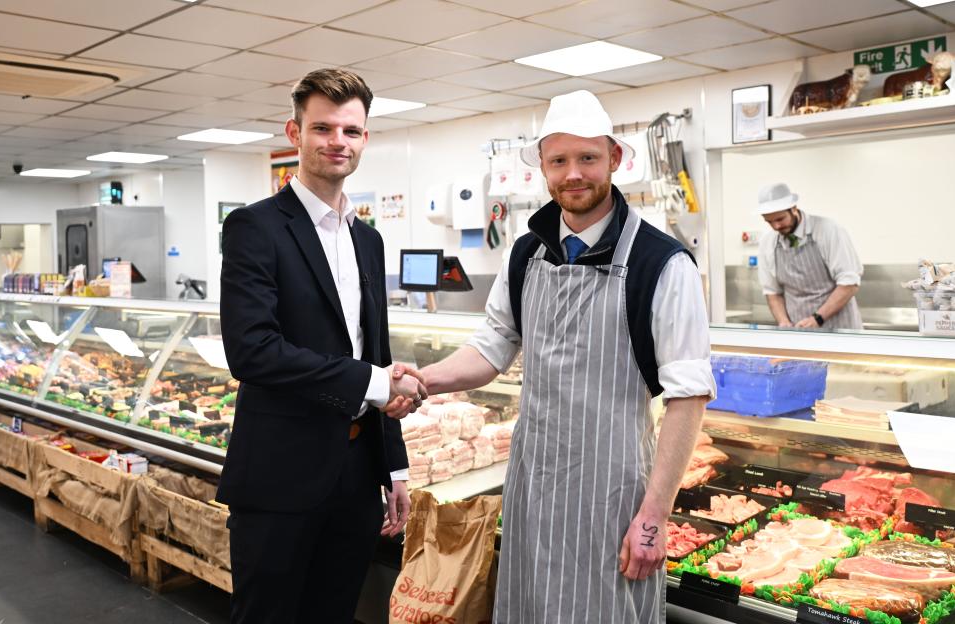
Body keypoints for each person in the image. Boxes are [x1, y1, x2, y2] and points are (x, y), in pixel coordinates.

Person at [407, 90, 716, 623]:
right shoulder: (525, 252)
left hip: (613, 497)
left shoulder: (662, 264)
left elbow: (689, 396)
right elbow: (492, 344)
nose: (574, 174)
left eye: (588, 158)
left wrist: (654, 516)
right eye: (559, 161)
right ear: (543, 169)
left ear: (614, 160)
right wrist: (421, 381)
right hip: (533, 486)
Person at [217, 68, 427, 624]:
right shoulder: (254, 227)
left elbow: (372, 349)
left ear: (365, 139)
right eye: (323, 128)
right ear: (295, 133)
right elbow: (252, 350)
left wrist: (394, 467)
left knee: (335, 613)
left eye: (352, 131)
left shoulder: (369, 239)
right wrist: (377, 384)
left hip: (357, 474)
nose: (338, 142)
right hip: (280, 476)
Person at [756, 182, 864, 330]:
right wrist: (784, 322)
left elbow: (849, 283)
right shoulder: (768, 242)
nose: (776, 227)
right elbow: (772, 292)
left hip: (839, 330)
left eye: (780, 219)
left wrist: (817, 319)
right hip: (799, 333)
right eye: (769, 222)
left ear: (794, 209)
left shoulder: (828, 230)